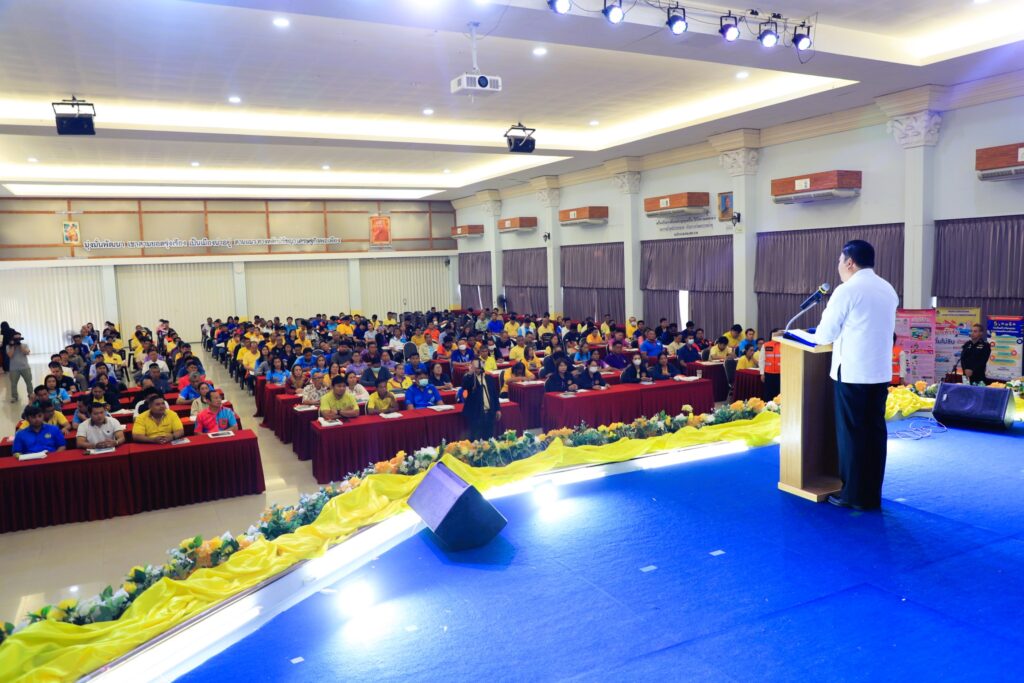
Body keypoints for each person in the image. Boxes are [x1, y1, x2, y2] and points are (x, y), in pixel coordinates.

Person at [791, 240, 898, 511]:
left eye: (840, 260)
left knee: (852, 436)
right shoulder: (888, 289)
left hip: (852, 373)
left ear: (850, 262)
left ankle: (853, 495)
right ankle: (871, 494)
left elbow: (825, 335)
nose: (838, 265)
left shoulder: (847, 290)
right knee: (874, 434)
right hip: (879, 373)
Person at [461, 359, 501, 440]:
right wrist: (471, 372)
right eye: (475, 366)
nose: (477, 368)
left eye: (479, 365)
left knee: (489, 437)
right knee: (476, 438)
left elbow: (494, 394)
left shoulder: (489, 378)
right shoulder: (469, 378)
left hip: (489, 413)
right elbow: (464, 386)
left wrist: (498, 409)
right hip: (476, 414)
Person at [6, 331, 31, 403]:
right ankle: (14, 397)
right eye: (16, 339)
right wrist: (13, 346)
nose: (17, 340)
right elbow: (10, 355)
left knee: (28, 382)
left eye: (18, 338)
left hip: (25, 367)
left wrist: (19, 345)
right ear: (12, 338)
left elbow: (27, 353)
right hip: (13, 368)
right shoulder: (8, 346)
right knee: (13, 384)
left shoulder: (25, 345)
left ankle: (30, 395)